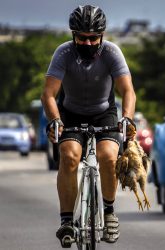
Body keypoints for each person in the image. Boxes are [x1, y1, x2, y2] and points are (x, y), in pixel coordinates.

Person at [40, 5, 136, 247]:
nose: (88, 43)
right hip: (70, 114)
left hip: (104, 113)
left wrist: (127, 118)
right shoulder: (63, 53)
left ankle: (109, 211)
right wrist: (55, 120)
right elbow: (49, 94)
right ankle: (66, 221)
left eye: (94, 38)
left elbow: (128, 91)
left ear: (101, 36)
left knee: (108, 157)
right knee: (69, 157)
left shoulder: (112, 52)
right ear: (74, 36)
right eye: (82, 38)